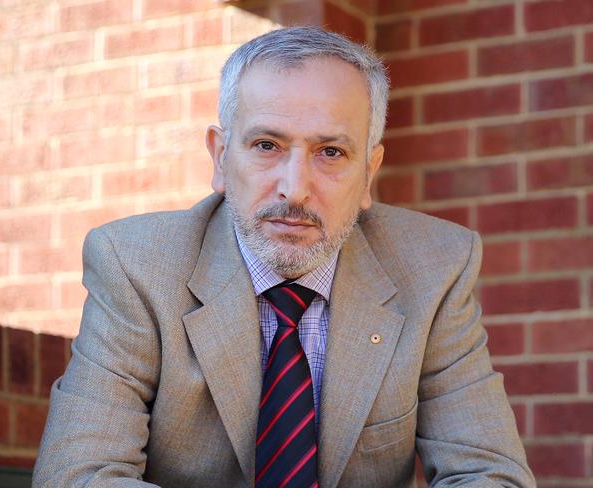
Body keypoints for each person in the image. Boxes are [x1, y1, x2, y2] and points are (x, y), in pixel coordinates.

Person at [33, 27, 535, 487]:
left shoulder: (435, 268)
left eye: (331, 152)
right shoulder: (137, 265)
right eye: (267, 144)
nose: (295, 189)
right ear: (221, 158)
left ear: (370, 171)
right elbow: (79, 473)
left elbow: (491, 474)